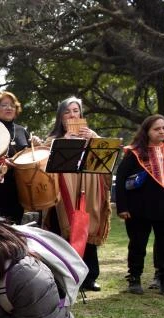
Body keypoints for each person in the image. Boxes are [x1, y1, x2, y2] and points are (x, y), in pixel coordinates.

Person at [44, 97, 112, 292]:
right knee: (63, 230)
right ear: (60, 117)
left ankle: (90, 277)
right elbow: (44, 164)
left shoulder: (92, 136)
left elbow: (106, 161)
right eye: (67, 112)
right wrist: (64, 143)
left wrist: (95, 139)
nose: (73, 115)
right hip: (64, 192)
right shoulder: (53, 140)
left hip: (89, 188)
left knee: (88, 228)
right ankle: (64, 275)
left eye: (76, 111)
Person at [115, 114, 164, 296]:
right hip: (138, 208)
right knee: (138, 244)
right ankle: (134, 278)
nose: (162, 131)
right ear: (147, 132)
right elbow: (121, 178)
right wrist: (122, 207)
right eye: (157, 128)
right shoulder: (135, 153)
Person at [0, 91, 33, 224]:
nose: (9, 108)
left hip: (17, 188)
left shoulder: (21, 130)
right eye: (4, 105)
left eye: (12, 105)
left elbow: (30, 157)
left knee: (15, 226)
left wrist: (35, 145)